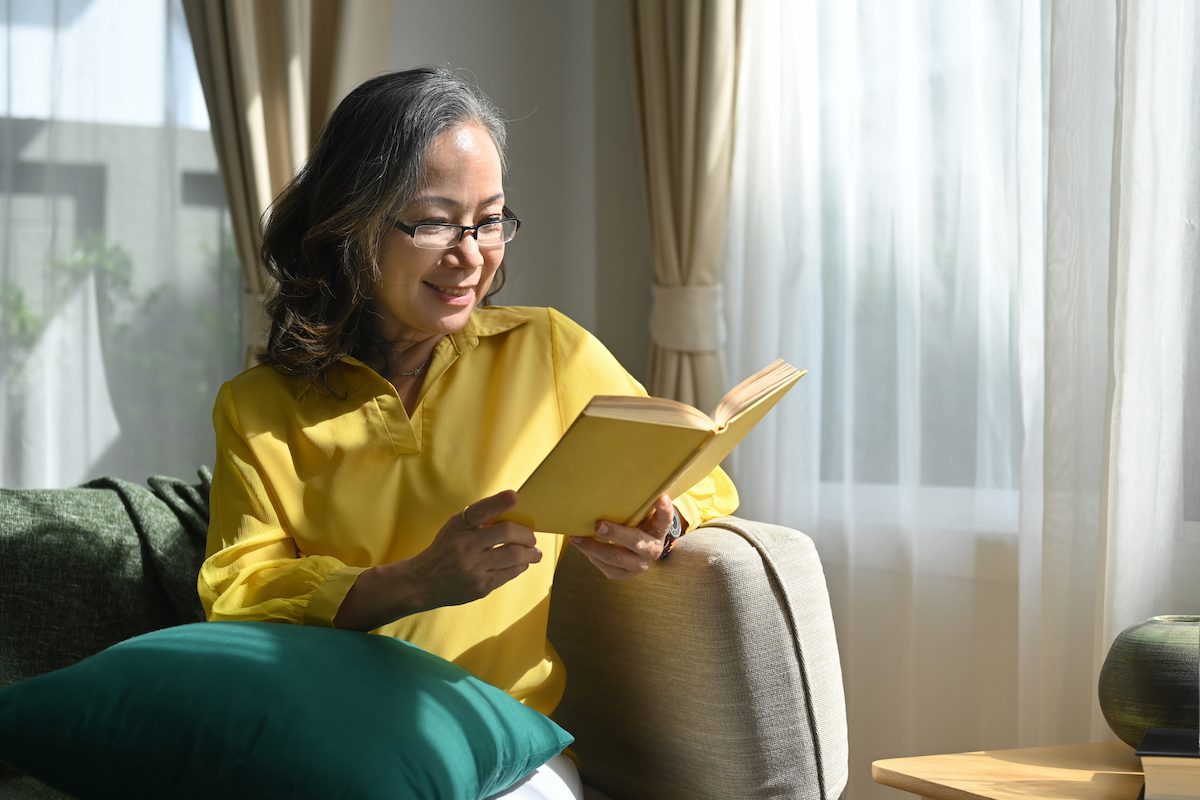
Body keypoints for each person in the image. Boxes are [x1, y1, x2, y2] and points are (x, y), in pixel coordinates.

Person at [198, 66, 738, 799]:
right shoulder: (257, 407)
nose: (471, 254)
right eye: (434, 222)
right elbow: (239, 593)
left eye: (489, 220)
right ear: (351, 222)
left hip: (507, 749)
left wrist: (660, 527)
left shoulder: (547, 351)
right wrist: (417, 581)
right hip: (333, 744)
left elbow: (698, 475)